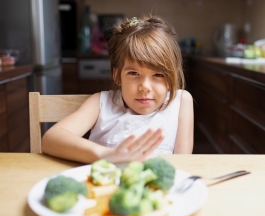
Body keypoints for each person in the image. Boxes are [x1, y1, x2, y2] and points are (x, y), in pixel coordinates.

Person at [42, 15, 194, 164]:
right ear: (117, 75)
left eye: (158, 74)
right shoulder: (100, 103)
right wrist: (107, 155)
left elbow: (182, 164)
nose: (145, 87)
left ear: (171, 77)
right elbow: (50, 139)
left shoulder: (180, 102)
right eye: (134, 73)